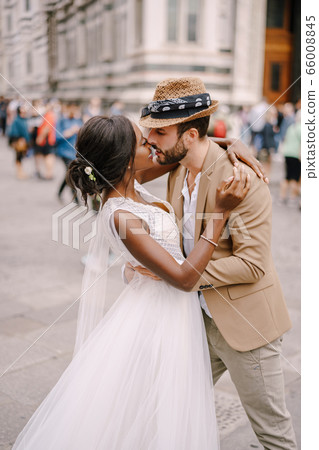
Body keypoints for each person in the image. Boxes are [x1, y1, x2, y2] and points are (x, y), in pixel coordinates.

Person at [13, 114, 250, 449]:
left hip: (169, 310)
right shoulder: (120, 214)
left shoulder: (132, 179)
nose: (151, 143)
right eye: (143, 142)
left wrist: (226, 143)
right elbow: (183, 278)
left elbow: (180, 155)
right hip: (158, 316)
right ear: (124, 159)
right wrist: (221, 214)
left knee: (160, 406)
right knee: (152, 406)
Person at [135, 77, 297, 449]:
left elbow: (253, 264)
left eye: (159, 133)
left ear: (189, 135)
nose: (150, 141)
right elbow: (132, 175)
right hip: (195, 324)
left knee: (273, 435)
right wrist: (223, 142)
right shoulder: (176, 170)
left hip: (247, 329)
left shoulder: (243, 180)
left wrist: (176, 277)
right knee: (169, 407)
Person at [56, 102, 83, 202]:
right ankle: (76, 199)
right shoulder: (62, 121)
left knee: (69, 173)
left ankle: (59, 192)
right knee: (71, 173)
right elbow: (57, 136)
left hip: (74, 152)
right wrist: (70, 132)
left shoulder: (78, 121)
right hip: (64, 152)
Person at [35, 100, 57, 180]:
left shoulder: (49, 115)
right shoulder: (48, 114)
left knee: (48, 156)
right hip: (48, 139)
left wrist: (40, 137)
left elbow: (47, 128)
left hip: (48, 139)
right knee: (47, 156)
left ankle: (49, 174)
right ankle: (48, 173)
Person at [8, 105, 30, 179]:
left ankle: (21, 172)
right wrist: (19, 139)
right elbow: (14, 131)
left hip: (24, 141)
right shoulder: (17, 120)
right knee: (18, 157)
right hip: (19, 141)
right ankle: (19, 173)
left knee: (21, 157)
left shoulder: (25, 119)